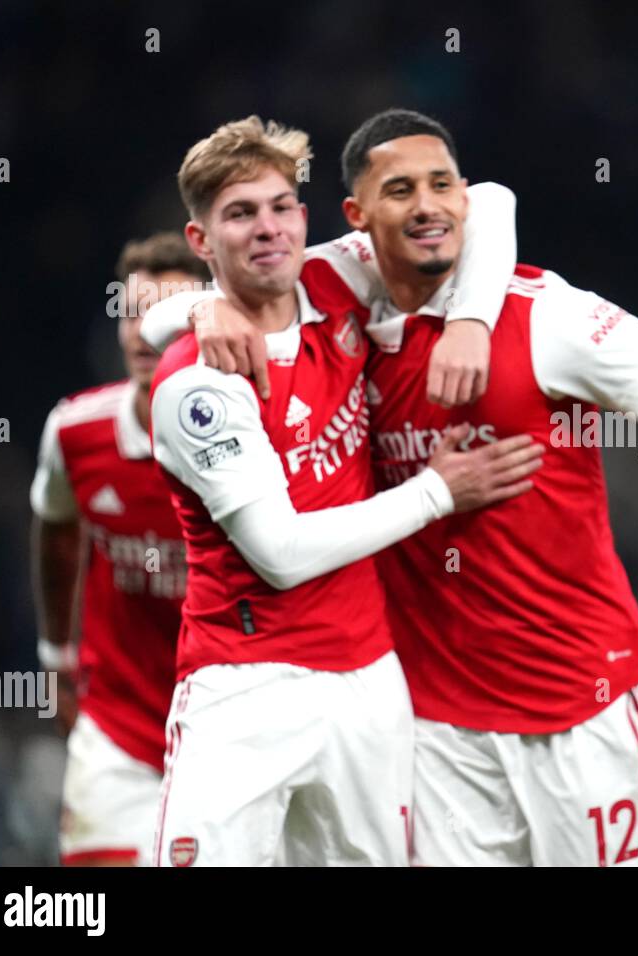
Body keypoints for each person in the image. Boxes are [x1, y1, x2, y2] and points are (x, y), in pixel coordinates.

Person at [153, 108, 638, 866]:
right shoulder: (346, 317)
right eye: (399, 190)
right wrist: (200, 306)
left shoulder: (544, 316)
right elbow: (202, 303)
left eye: (442, 185)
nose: (427, 204)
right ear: (356, 221)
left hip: (584, 705)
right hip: (436, 728)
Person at [147, 116, 541, 866]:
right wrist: (436, 493)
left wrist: (471, 320)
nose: (268, 229)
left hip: (367, 682)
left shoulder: (332, 280)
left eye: (280, 206)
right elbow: (282, 554)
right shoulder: (199, 384)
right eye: (240, 215)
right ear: (201, 242)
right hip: (244, 688)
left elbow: (490, 200)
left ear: (304, 214)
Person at [30, 232, 208, 865]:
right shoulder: (76, 431)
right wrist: (57, 652)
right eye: (131, 312)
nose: (140, 333)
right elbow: (55, 526)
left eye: (163, 316)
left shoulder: (253, 436)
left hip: (227, 730)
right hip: (118, 726)